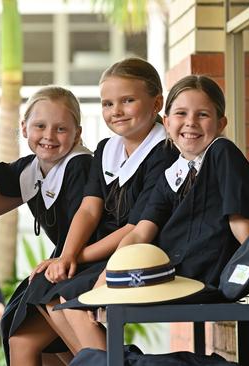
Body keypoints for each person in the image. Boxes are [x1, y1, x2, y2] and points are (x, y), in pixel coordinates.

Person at [75, 75, 249, 352]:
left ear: (221, 123)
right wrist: (107, 279)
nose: (190, 122)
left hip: (206, 278)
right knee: (77, 301)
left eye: (203, 114)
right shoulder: (170, 174)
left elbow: (240, 224)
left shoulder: (222, 153)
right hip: (168, 276)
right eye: (181, 114)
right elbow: (141, 232)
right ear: (166, 122)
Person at [0, 86, 95, 365]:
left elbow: (87, 224)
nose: (49, 136)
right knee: (20, 337)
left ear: (78, 133)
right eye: (40, 126)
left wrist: (62, 260)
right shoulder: (32, 168)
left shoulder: (79, 166)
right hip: (64, 264)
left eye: (61, 128)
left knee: (38, 333)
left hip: (88, 260)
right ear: (24, 128)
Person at [37, 58, 180, 353]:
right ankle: (101, 360)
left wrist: (75, 257)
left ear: (156, 103)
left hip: (142, 249)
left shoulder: (164, 152)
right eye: (107, 103)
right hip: (105, 249)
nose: (116, 111)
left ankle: (109, 361)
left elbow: (135, 228)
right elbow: (89, 209)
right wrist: (66, 255)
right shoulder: (106, 149)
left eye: (127, 100)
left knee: (73, 301)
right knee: (45, 292)